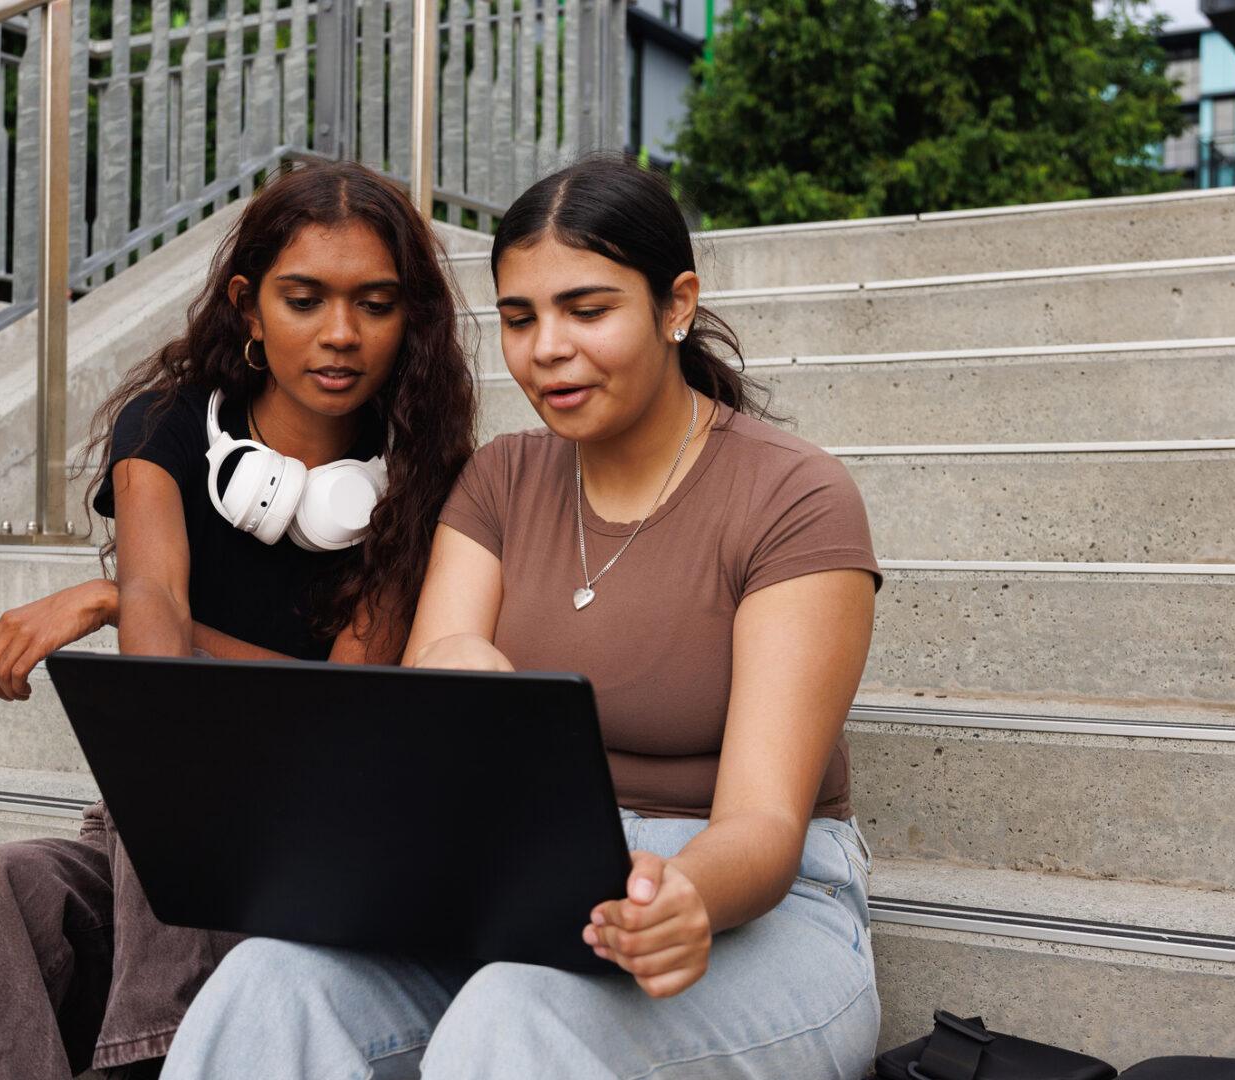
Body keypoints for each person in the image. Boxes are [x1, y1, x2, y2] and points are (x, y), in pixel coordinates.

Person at [157, 156, 884, 1079]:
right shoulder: (501, 477)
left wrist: (677, 896)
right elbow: (439, 678)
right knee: (268, 985)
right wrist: (457, 666)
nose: (548, 348)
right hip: (515, 889)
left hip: (742, 910)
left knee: (514, 1019)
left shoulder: (793, 496)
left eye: (587, 310)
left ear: (676, 305)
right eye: (519, 317)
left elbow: (765, 825)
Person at [0, 159, 477, 1080]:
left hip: (313, 836)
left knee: (193, 775)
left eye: (375, 305)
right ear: (249, 307)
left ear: (408, 318)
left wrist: (104, 601)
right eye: (304, 299)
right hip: (160, 830)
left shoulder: (425, 476)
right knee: (2, 885)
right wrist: (132, 603)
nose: (341, 334)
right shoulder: (167, 425)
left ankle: (155, 1061)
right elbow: (163, 683)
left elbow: (340, 712)